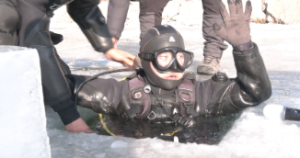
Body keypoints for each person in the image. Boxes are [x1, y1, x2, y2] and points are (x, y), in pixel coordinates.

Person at [68, 0, 272, 128]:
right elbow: (63, 84)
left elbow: (255, 92)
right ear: (146, 60)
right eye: (164, 58)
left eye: (180, 59)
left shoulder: (201, 95)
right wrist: (41, 45)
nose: (175, 67)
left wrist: (245, 48)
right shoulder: (119, 92)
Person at [0, 0, 135, 133]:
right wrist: (70, 117)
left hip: (26, 11)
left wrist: (107, 47)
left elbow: (82, 6)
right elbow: (37, 46)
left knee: (63, 79)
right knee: (6, 16)